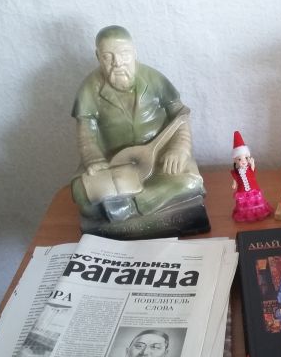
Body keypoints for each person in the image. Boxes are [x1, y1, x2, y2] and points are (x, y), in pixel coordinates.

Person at [71, 25, 205, 223]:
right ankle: (127, 203)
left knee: (191, 182)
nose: (117, 63)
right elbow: (86, 132)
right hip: (113, 163)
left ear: (134, 52)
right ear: (98, 57)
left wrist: (179, 149)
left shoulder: (154, 79)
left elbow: (181, 114)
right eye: (108, 56)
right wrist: (94, 159)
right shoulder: (89, 88)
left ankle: (133, 204)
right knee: (83, 198)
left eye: (124, 54)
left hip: (158, 159)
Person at [230, 130, 273, 222]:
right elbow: (235, 179)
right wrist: (234, 184)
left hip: (254, 190)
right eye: (239, 159)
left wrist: (252, 163)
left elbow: (253, 172)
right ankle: (246, 214)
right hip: (242, 191)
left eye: (246, 158)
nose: (243, 161)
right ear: (235, 160)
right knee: (243, 204)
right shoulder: (236, 172)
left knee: (256, 202)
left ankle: (258, 212)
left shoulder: (250, 168)